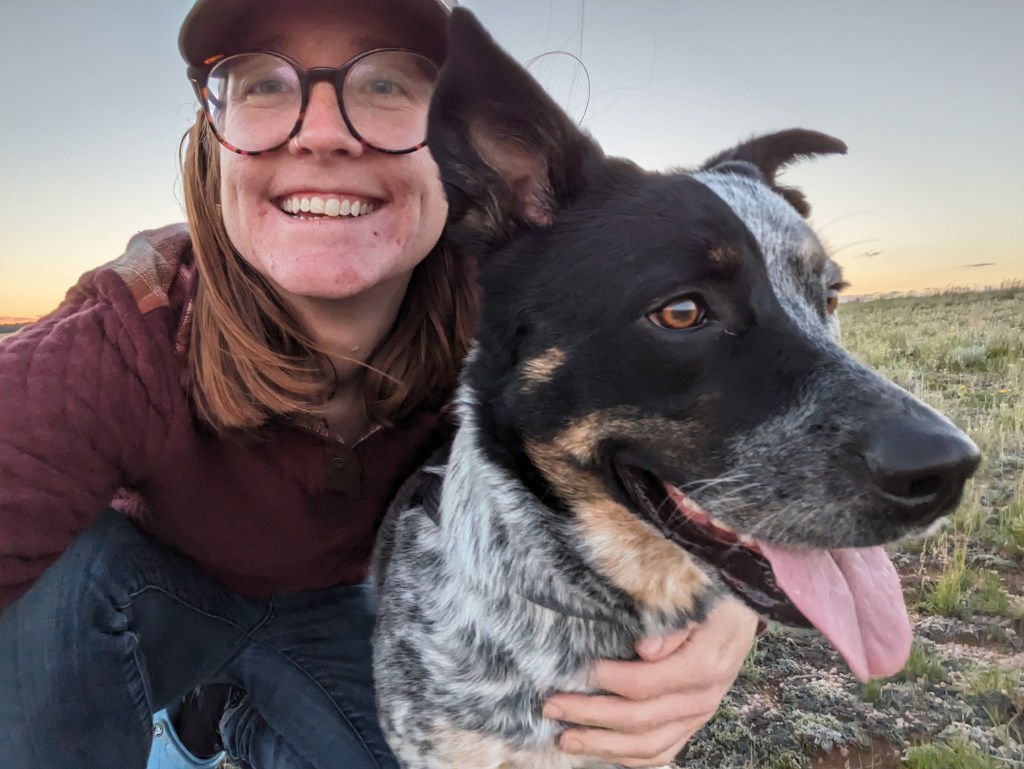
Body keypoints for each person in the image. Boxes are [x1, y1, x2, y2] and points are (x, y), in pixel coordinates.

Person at [0, 1, 760, 767]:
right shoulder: (126, 331)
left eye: (388, 85)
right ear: (215, 143)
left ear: (464, 155)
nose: (322, 132)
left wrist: (731, 594)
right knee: (62, 575)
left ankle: (231, 717)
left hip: (342, 609)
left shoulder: (516, 308)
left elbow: (698, 409)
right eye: (264, 83)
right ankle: (189, 696)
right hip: (153, 603)